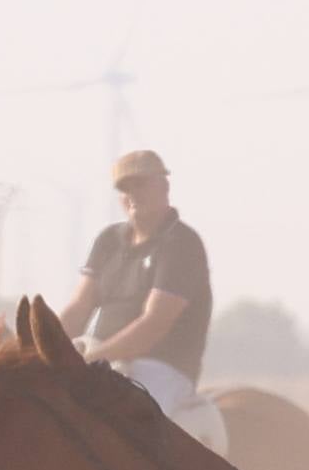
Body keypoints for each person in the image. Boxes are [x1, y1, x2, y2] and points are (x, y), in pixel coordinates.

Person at [56, 149, 225, 453]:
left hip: (161, 370)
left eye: (141, 185)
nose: (132, 194)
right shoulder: (108, 240)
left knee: (130, 435)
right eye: (125, 188)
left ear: (164, 187)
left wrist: (92, 359)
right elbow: (79, 306)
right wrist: (38, 345)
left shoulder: (181, 243)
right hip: (101, 361)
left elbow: (154, 323)